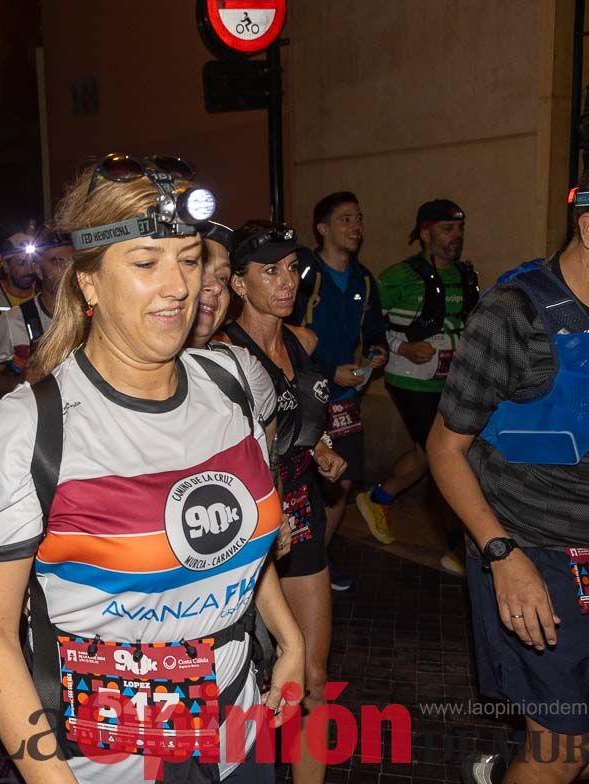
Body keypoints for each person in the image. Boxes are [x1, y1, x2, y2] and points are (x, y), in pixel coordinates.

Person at [0, 155, 305, 783]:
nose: (179, 286)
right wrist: (48, 777)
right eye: (146, 263)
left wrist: (289, 637)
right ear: (89, 281)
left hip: (238, 731)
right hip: (108, 761)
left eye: (191, 258)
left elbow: (236, 540)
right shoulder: (28, 430)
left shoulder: (231, 382)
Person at [428, 146, 589, 783]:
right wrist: (502, 557)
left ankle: (512, 770)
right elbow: (445, 448)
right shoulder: (513, 317)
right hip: (536, 560)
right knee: (559, 750)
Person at [221, 221, 346, 784]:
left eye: (293, 267)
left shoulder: (306, 342)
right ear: (239, 284)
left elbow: (294, 420)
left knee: (314, 678)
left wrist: (321, 448)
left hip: (304, 510)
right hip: (252, 525)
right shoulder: (223, 356)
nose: (287, 280)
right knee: (258, 676)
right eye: (270, 270)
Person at [356, 199, 477, 574]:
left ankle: (379, 498)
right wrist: (403, 346)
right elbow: (372, 325)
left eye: (459, 228)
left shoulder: (465, 275)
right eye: (446, 229)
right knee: (446, 457)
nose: (455, 236)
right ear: (426, 232)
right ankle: (457, 547)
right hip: (409, 379)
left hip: (449, 380)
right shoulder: (397, 277)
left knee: (429, 454)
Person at [289, 192, 388, 591]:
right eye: (346, 220)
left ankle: (318, 560)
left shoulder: (365, 279)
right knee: (302, 483)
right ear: (323, 228)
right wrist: (331, 370)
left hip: (345, 399)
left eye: (359, 219)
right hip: (303, 394)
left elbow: (375, 330)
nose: (356, 227)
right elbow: (285, 335)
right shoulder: (301, 276)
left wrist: (378, 352)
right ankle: (295, 565)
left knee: (341, 482)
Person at [0, 231, 72, 398]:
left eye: (72, 261)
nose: (67, 269)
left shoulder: (95, 313)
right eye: (57, 262)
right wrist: (23, 383)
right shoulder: (14, 320)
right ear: (38, 270)